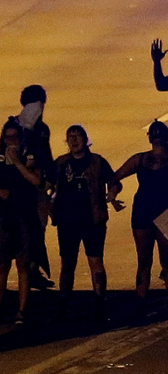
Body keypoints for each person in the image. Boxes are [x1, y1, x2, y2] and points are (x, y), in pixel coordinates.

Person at [110, 121, 168, 323]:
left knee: (147, 263)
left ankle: (145, 305)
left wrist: (114, 192)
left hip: (147, 213)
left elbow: (115, 177)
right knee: (165, 264)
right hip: (161, 215)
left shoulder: (143, 159)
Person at [52, 125, 121, 324]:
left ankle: (100, 306)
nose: (74, 140)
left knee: (96, 264)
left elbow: (114, 180)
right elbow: (46, 183)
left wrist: (112, 192)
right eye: (70, 137)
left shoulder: (97, 162)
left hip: (93, 220)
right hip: (67, 221)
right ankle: (63, 307)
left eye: (78, 136)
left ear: (85, 139)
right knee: (67, 265)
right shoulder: (61, 164)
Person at [0, 119, 44, 327]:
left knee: (23, 264)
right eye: (7, 137)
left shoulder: (29, 153)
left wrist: (17, 162)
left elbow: (36, 181)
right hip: (3, 216)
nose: (10, 141)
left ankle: (21, 310)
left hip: (24, 216)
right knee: (1, 265)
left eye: (14, 137)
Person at [15, 85, 54, 291]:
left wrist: (50, 181)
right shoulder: (17, 128)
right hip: (20, 190)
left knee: (38, 229)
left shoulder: (41, 129)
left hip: (38, 188)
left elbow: (47, 157)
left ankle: (33, 269)